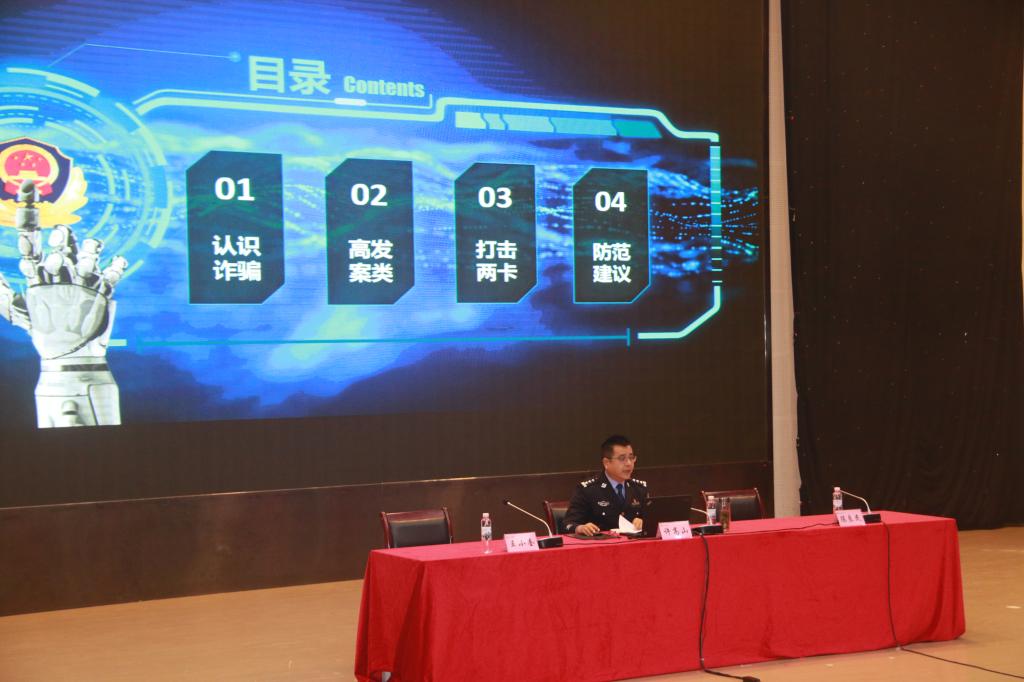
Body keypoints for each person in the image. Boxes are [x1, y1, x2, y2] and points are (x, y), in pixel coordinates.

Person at [563, 435, 648, 536]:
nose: (629, 463)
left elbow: (654, 521)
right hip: (600, 544)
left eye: (631, 457)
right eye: (622, 459)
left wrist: (645, 522)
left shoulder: (639, 489)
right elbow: (568, 524)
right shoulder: (588, 490)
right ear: (606, 462)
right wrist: (580, 528)